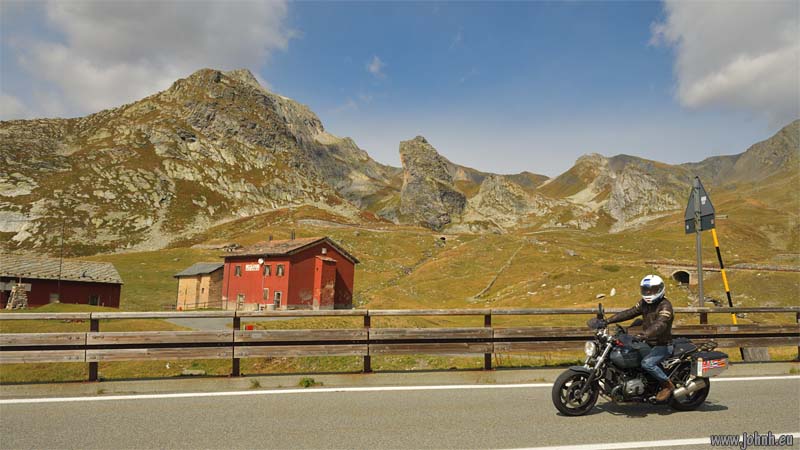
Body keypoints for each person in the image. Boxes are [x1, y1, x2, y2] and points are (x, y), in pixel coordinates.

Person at [606, 274, 675, 402]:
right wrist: (607, 321)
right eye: (646, 289)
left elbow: (660, 324)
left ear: (660, 289)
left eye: (652, 290)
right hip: (648, 342)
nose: (649, 292)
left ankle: (667, 385)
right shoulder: (644, 303)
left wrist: (645, 334)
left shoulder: (665, 306)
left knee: (647, 363)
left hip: (662, 345)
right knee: (629, 353)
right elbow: (629, 312)